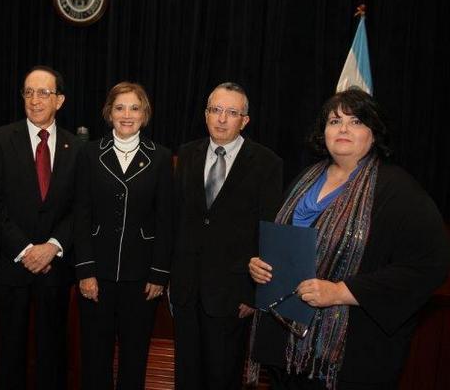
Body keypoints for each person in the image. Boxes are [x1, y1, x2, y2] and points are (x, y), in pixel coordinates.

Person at [248, 88, 450, 389]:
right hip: (286, 343)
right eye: (334, 121)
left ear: (374, 133)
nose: (343, 128)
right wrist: (260, 264)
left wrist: (341, 291)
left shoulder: (399, 192)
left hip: (346, 356)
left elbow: (428, 267)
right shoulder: (305, 179)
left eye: (355, 121)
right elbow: (285, 242)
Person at [170, 82, 283, 389]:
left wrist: (252, 293)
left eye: (231, 112)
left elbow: (268, 231)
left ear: (244, 120)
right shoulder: (186, 154)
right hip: (185, 291)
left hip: (233, 294)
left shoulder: (266, 163)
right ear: (206, 114)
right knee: (186, 376)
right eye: (215, 110)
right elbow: (177, 220)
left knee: (222, 377)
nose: (221, 119)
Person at [0, 66, 81, 390]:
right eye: (29, 92)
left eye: (44, 93)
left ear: (60, 100)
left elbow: (81, 208)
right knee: (9, 353)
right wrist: (26, 250)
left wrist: (53, 246)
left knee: (52, 354)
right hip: (13, 265)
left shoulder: (77, 147)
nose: (35, 100)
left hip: (55, 268)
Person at [74, 81, 173, 389]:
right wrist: (85, 271)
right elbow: (81, 215)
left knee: (135, 354)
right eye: (120, 108)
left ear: (145, 114)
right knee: (95, 355)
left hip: (141, 277)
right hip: (97, 275)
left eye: (134, 108)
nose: (127, 115)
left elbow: (167, 220)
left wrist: (158, 275)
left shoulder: (160, 158)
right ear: (109, 113)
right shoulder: (89, 154)